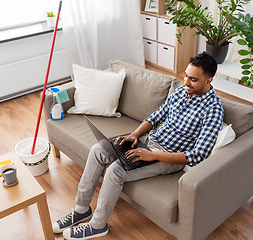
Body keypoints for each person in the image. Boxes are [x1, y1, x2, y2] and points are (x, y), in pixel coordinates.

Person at [53, 51, 224, 240]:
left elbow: (197, 155)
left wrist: (153, 156)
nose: (186, 82)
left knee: (116, 170)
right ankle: (81, 209)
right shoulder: (180, 92)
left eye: (193, 79)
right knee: (98, 150)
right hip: (147, 141)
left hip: (168, 157)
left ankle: (98, 225)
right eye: (185, 75)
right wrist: (134, 135)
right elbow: (155, 117)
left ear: (209, 80)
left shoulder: (213, 110)